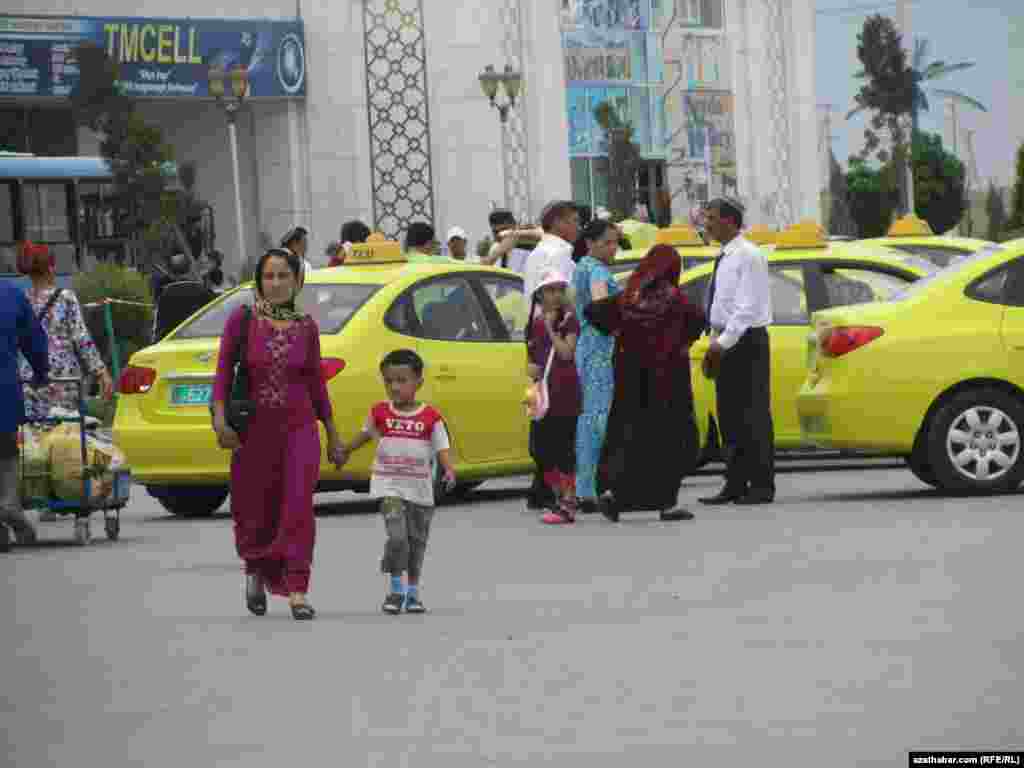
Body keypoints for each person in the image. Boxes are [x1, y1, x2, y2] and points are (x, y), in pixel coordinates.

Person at [211, 247, 345, 621]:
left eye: (283, 276)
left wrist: (332, 433)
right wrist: (220, 419)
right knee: (257, 508)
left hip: (300, 430)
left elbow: (317, 384)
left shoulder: (307, 326)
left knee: (299, 507)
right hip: (254, 432)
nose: (275, 283)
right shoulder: (243, 320)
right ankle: (255, 569)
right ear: (259, 282)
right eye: (268, 276)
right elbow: (223, 372)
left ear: (297, 280)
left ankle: (298, 590)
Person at [584, 244, 705, 522]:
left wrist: (618, 331)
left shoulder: (628, 295)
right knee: (665, 440)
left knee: (626, 437)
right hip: (667, 380)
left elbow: (593, 312)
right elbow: (699, 319)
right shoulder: (675, 299)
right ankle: (666, 503)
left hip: (630, 378)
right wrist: (683, 342)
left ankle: (614, 494)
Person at [338, 349, 456, 615]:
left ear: (418, 383)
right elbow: (365, 435)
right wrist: (345, 449)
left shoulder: (431, 417)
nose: (395, 387)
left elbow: (442, 449)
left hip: (420, 490)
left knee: (416, 543)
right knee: (397, 537)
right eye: (389, 381)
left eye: (402, 380)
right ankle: (395, 590)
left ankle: (413, 593)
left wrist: (449, 470)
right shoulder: (379, 412)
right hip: (388, 485)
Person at [700, 197, 775, 506]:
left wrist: (721, 343)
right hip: (727, 340)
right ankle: (734, 482)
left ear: (730, 221)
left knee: (753, 416)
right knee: (729, 416)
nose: (707, 224)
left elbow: (746, 308)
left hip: (746, 342)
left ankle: (760, 485)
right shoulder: (725, 255)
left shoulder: (749, 255)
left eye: (712, 218)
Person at [18, 241, 113, 421]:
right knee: (67, 434)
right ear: (51, 268)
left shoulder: (22, 300)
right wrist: (101, 372)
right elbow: (81, 338)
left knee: (35, 436)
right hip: (64, 381)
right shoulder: (66, 297)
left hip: (31, 380)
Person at [572, 219, 623, 513]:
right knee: (599, 417)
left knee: (588, 417)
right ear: (590, 243)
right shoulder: (596, 270)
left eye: (615, 242)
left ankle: (584, 487)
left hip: (586, 346)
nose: (612, 247)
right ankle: (593, 487)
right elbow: (602, 306)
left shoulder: (581, 267)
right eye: (607, 242)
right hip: (601, 349)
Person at [526, 270, 581, 525]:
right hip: (543, 394)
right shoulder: (535, 323)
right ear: (540, 294)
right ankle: (558, 497)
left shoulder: (569, 319)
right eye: (550, 290)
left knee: (563, 449)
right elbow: (534, 357)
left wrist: (550, 328)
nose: (556, 295)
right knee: (540, 448)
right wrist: (531, 368)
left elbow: (567, 352)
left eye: (560, 289)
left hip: (565, 392)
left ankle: (567, 503)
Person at [0, 279, 49, 550]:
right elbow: (34, 339)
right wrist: (42, 372)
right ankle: (8, 504)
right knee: (5, 448)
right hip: (3, 390)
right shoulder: (11, 295)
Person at [523, 201, 579, 320]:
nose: (578, 227)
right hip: (557, 332)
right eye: (575, 221)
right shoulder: (558, 253)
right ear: (557, 222)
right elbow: (561, 301)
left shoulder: (538, 251)